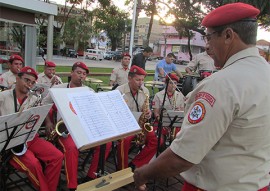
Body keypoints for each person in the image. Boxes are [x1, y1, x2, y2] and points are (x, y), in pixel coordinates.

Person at [133, 3, 270, 191]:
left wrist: (143, 174)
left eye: (209, 37)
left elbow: (183, 156)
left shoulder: (221, 84)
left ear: (229, 35)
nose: (207, 46)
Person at [42, 62, 112, 190]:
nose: (81, 76)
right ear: (71, 73)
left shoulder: (89, 91)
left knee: (106, 144)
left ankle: (91, 176)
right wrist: (48, 122)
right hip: (65, 130)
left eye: (84, 74)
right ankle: (72, 185)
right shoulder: (58, 89)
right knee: (71, 148)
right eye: (79, 73)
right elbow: (43, 104)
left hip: (85, 128)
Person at [0, 66, 63, 191]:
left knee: (57, 156)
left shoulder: (34, 99)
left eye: (33, 82)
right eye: (26, 80)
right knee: (34, 164)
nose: (29, 84)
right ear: (17, 78)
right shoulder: (2, 97)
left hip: (29, 138)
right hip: (9, 144)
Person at [116, 65, 158, 171]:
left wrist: (149, 112)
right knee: (124, 141)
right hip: (124, 125)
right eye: (137, 80)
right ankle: (122, 170)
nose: (141, 83)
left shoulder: (145, 91)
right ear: (129, 78)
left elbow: (146, 108)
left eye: (142, 80)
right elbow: (115, 113)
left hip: (140, 123)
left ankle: (135, 164)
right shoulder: (119, 91)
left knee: (155, 140)